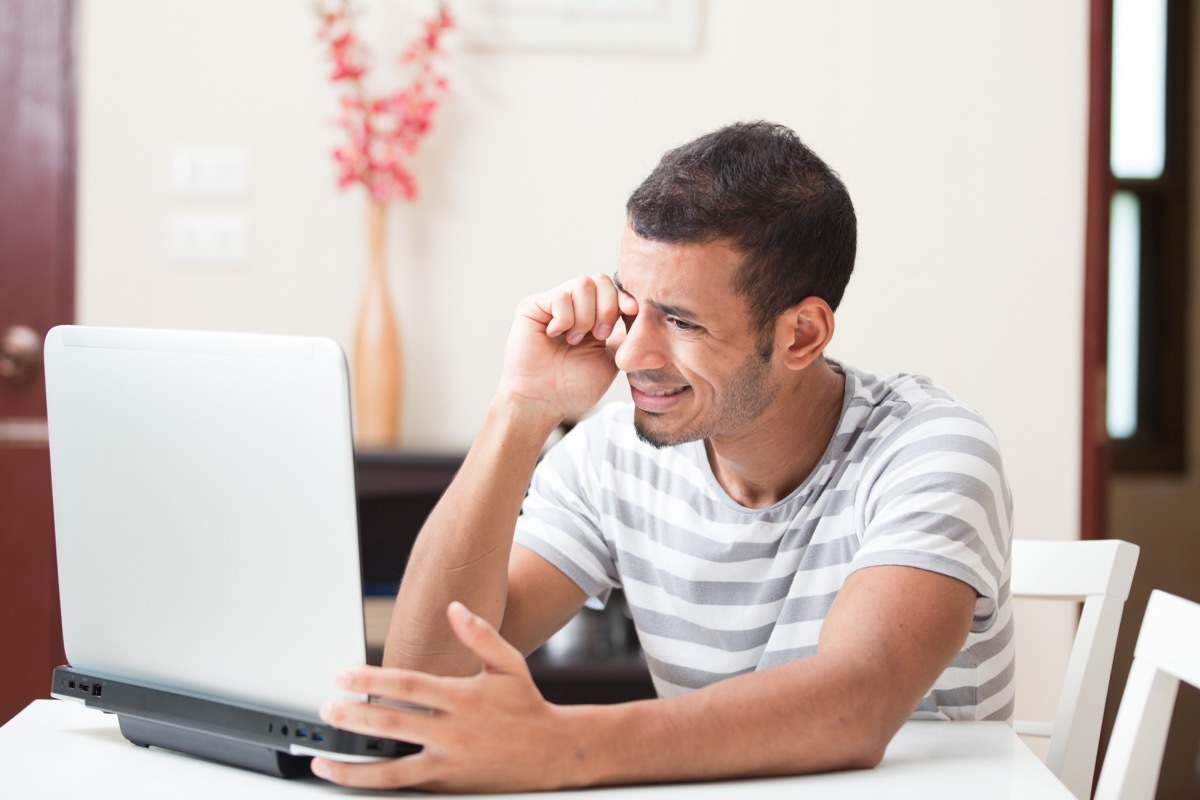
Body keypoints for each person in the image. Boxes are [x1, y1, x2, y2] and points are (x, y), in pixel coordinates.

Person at [311, 121, 1014, 792]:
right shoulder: (614, 457)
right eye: (630, 304)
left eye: (680, 321)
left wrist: (560, 748)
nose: (631, 353)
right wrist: (518, 413)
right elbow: (425, 684)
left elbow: (858, 703)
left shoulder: (930, 450)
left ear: (802, 334)